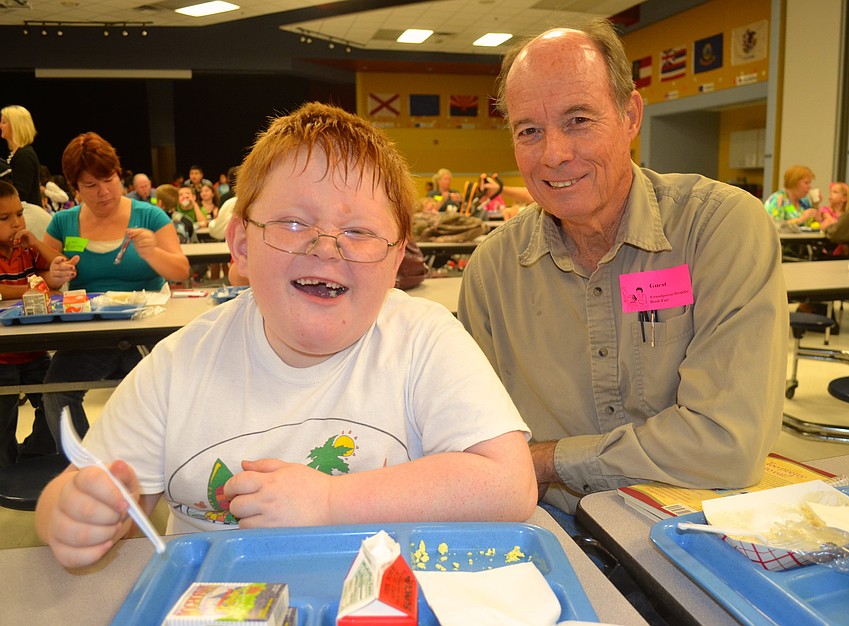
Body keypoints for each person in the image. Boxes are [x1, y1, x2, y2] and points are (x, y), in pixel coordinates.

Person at [35, 102, 536, 569]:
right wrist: (72, 513)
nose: (326, 247)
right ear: (242, 245)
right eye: (294, 222)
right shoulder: (178, 367)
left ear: (396, 258)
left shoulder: (424, 340)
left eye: (360, 232)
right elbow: (102, 493)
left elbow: (509, 483)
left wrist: (329, 501)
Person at [457, 19, 787, 520]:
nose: (554, 155)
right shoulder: (492, 273)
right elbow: (472, 449)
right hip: (555, 539)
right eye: (529, 131)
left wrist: (547, 460)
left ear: (630, 115)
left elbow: (727, 443)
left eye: (578, 120)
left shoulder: (718, 230)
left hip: (693, 535)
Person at [39, 132, 190, 446]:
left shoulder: (150, 215)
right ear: (74, 188)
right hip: (89, 333)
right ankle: (85, 470)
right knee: (55, 392)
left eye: (108, 180)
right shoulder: (62, 223)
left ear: (119, 175)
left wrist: (152, 253)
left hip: (149, 327)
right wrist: (54, 275)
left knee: (175, 394)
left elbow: (181, 270)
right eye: (90, 186)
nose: (103, 192)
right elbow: (43, 277)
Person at [0, 181, 67, 467]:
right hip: (3, 356)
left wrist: (37, 243)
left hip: (35, 351)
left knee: (54, 403)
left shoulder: (26, 249)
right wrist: (35, 290)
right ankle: (5, 468)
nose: (16, 223)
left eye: (19, 214)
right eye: (5, 218)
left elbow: (59, 270)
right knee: (3, 420)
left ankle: (33, 454)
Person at [0, 105, 42, 206]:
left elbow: (19, 195)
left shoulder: (24, 156)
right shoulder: (17, 154)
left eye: (4, 122)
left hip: (26, 216)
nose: (0, 126)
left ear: (16, 125)